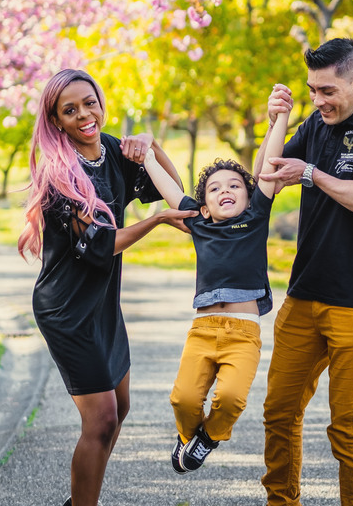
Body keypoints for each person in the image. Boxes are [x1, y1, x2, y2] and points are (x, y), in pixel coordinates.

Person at [17, 69, 195, 506]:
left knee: (120, 408)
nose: (84, 115)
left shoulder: (112, 150)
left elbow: (170, 188)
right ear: (55, 120)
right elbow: (99, 246)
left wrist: (151, 147)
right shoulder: (59, 176)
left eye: (89, 102)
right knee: (100, 420)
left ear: (101, 101)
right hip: (66, 310)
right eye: (70, 110)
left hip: (101, 304)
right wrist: (152, 222)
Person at [256, 38, 353, 506]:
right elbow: (265, 179)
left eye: (327, 90)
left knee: (348, 427)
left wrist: (312, 175)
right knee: (279, 413)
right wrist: (278, 120)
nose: (318, 101)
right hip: (305, 295)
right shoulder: (316, 123)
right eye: (310, 90)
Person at [141, 87, 290, 475]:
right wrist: (146, 156)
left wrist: (282, 118)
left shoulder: (256, 216)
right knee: (183, 400)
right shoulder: (201, 225)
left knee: (230, 399)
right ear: (204, 206)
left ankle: (207, 440)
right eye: (216, 188)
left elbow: (271, 165)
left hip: (243, 332)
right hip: (203, 330)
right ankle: (188, 435)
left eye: (235, 186)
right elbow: (171, 192)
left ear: (249, 195)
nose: (226, 190)